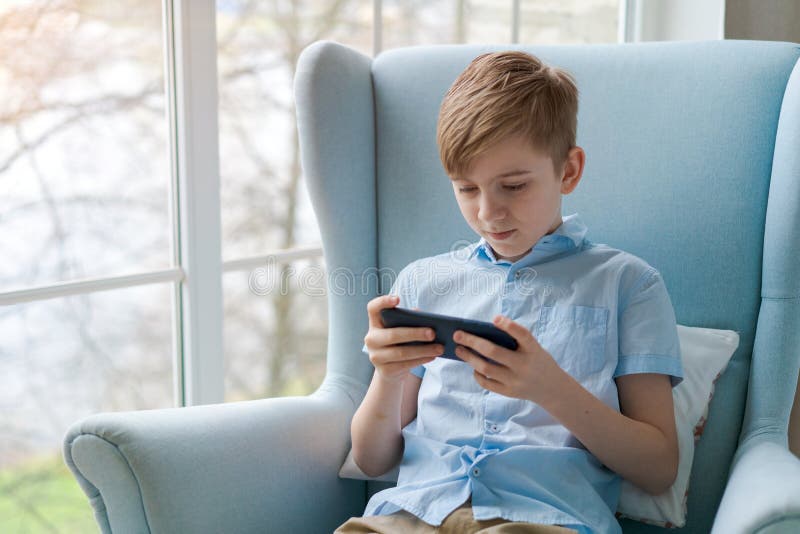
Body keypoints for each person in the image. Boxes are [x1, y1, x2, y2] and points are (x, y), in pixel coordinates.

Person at [335, 51, 683, 534]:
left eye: (514, 186)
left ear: (568, 171)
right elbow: (373, 460)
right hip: (410, 515)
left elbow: (658, 466)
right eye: (467, 189)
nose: (488, 212)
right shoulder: (422, 282)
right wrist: (387, 376)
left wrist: (548, 388)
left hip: (543, 519)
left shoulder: (628, 284)